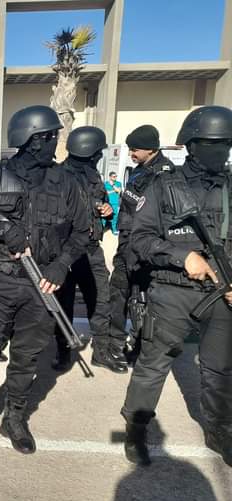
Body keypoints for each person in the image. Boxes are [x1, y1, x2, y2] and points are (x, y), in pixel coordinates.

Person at [0, 106, 88, 459]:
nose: (54, 143)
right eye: (48, 137)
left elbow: (82, 231)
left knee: (27, 359)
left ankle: (14, 418)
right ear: (29, 139)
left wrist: (61, 266)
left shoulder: (65, 181)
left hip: (41, 284)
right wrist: (2, 230)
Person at [122, 106, 232, 467]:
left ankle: (218, 430)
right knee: (153, 365)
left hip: (222, 293)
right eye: (212, 144)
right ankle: (136, 429)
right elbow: (139, 239)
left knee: (220, 369)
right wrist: (182, 256)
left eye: (225, 144)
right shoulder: (163, 186)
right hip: (173, 292)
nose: (220, 151)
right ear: (192, 145)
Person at [54, 127, 124, 372]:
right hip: (66, 250)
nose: (100, 156)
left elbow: (101, 202)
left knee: (101, 299)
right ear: (89, 151)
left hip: (92, 248)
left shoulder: (93, 175)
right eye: (98, 152)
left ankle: (101, 352)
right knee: (64, 302)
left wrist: (106, 210)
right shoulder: (58, 176)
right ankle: (63, 351)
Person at [108, 125, 174, 365]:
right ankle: (115, 344)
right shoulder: (139, 170)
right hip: (127, 245)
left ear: (151, 149)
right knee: (118, 294)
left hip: (146, 249)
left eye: (135, 149)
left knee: (142, 300)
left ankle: (139, 348)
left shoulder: (165, 174)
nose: (131, 153)